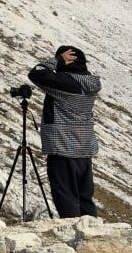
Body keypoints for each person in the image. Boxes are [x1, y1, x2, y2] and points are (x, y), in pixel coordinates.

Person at [28, 45, 101, 218]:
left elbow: (37, 73)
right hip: (84, 149)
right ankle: (92, 229)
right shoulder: (89, 83)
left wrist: (57, 60)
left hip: (63, 148)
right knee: (84, 198)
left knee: (66, 197)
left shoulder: (67, 83)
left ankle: (73, 231)